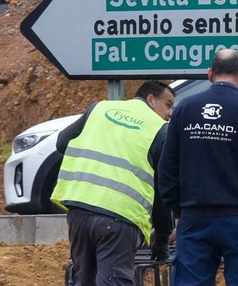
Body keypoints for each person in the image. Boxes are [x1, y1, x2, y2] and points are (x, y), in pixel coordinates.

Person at [157, 49, 238, 286]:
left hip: (194, 218)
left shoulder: (185, 109)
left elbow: (166, 170)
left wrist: (178, 211)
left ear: (209, 74)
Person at [51, 81, 176, 286]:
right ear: (151, 100)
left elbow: (62, 142)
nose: (170, 112)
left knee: (83, 281)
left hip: (79, 210)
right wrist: (162, 239)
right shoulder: (159, 130)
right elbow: (162, 190)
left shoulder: (99, 108)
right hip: (119, 219)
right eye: (168, 104)